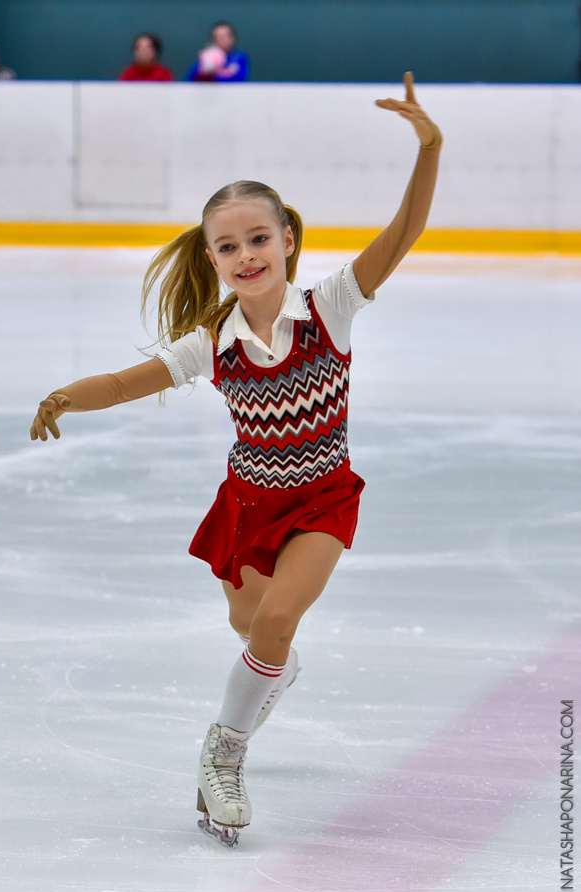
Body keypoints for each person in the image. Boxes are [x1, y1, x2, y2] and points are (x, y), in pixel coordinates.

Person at [30, 72, 441, 847]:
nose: (246, 255)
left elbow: (404, 230)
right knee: (252, 628)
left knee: (277, 621)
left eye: (258, 238)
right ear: (212, 259)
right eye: (228, 246)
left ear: (286, 239)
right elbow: (123, 383)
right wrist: (63, 397)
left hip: (321, 500)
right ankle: (271, 672)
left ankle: (221, 756)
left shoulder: (331, 307)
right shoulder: (210, 344)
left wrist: (428, 147)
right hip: (247, 505)